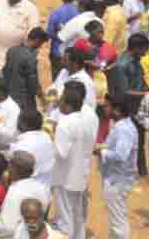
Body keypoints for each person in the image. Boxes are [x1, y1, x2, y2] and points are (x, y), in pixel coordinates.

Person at [51, 84, 97, 239]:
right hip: (79, 175)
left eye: (62, 101)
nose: (59, 104)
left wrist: (50, 139)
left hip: (64, 177)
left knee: (65, 219)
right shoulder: (84, 120)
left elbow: (60, 153)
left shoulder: (65, 123)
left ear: (68, 105)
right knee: (76, 215)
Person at [99, 98, 137, 239]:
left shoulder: (123, 129)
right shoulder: (121, 125)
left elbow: (121, 155)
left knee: (118, 222)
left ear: (117, 110)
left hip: (118, 180)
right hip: (117, 178)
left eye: (107, 106)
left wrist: (101, 152)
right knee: (117, 219)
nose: (104, 109)